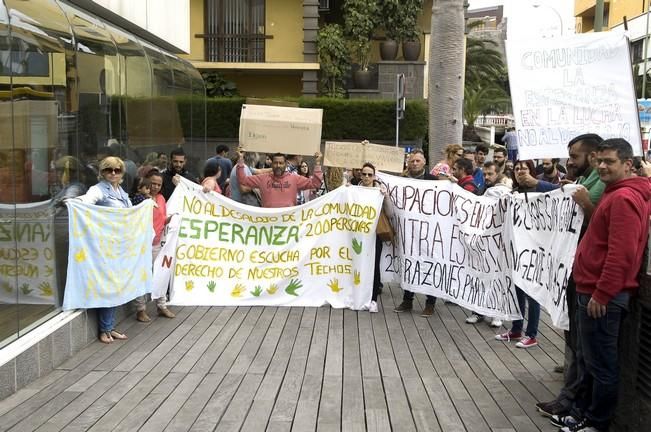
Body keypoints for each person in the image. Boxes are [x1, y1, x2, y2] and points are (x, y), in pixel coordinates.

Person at [556, 139, 651, 432]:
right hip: (596, 291)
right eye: (600, 161)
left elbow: (621, 254)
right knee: (594, 361)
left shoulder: (623, 199)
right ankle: (587, 413)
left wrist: (603, 293)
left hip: (602, 296)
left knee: (601, 365)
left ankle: (597, 422)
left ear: (628, 165)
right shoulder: (616, 194)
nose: (602, 166)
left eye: (610, 162)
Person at [76, 156, 132, 344]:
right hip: (104, 248)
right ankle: (104, 329)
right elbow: (86, 202)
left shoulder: (121, 191)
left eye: (117, 170)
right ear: (102, 172)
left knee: (116, 287)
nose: (113, 173)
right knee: (108, 286)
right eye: (109, 170)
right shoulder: (98, 189)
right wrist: (74, 202)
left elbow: (130, 212)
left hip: (119, 247)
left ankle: (110, 326)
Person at [494, 160, 541, 349]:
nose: (520, 171)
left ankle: (532, 334)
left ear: (531, 171)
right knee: (518, 291)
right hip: (516, 249)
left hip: (534, 250)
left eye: (525, 168)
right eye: (518, 168)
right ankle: (516, 329)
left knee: (532, 294)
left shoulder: (541, 191)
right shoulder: (513, 193)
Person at [394, 149, 439, 317]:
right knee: (409, 264)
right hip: (409, 231)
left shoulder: (434, 181)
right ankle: (407, 300)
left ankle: (430, 302)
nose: (414, 163)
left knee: (430, 265)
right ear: (408, 163)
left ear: (424, 162)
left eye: (417, 161)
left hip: (429, 231)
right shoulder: (402, 181)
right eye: (412, 161)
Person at [466, 161, 509, 328]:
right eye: (484, 174)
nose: (486, 177)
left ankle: (497, 313)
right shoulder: (481, 189)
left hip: (499, 241)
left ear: (498, 174)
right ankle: (478, 311)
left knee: (497, 277)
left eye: (490, 174)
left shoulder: (504, 191)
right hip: (483, 240)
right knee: (481, 276)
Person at [132, 170, 176, 322]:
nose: (156, 187)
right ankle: (140, 309)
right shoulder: (140, 200)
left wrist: (172, 219)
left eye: (159, 184)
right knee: (141, 277)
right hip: (142, 244)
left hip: (157, 243)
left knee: (161, 273)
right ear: (146, 182)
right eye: (153, 183)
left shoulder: (162, 199)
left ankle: (161, 305)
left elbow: (162, 219)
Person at [235, 148, 323, 208]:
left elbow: (315, 183)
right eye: (275, 163)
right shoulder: (262, 179)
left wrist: (318, 163)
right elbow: (243, 180)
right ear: (271, 164)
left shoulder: (295, 179)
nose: (278, 165)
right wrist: (241, 159)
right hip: (268, 223)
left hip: (288, 223)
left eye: (281, 163)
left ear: (285, 164)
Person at [358, 162, 391, 313]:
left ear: (374, 176)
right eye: (364, 174)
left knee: (374, 265)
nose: (366, 177)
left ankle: (373, 299)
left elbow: (389, 213)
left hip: (374, 235)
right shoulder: (354, 190)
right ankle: (357, 295)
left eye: (369, 174)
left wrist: (386, 197)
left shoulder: (379, 191)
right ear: (360, 175)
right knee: (356, 263)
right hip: (356, 234)